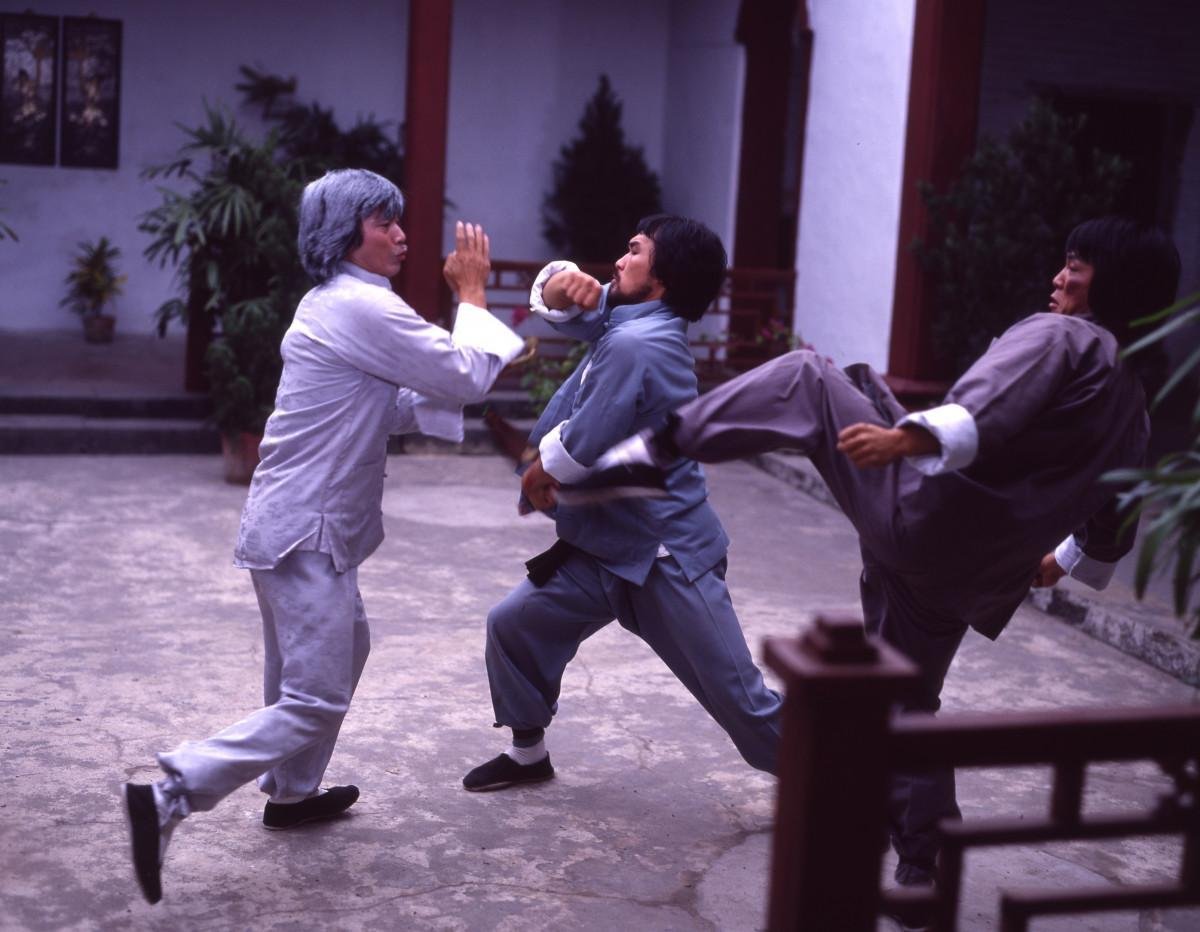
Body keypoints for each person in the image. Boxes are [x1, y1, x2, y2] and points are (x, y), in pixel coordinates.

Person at [590, 217, 1181, 888]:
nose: (1057, 277)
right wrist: (1066, 561)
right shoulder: (1134, 407)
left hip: (926, 516)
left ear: (1115, 283)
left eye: (1074, 266)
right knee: (908, 695)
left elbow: (986, 405)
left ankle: (658, 449)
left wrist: (907, 440)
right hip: (972, 574)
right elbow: (1116, 520)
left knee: (808, 380)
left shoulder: (1066, 336)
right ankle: (921, 863)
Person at [122, 168, 526, 904]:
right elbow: (463, 378)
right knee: (314, 697)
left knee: (343, 651)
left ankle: (293, 794)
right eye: (383, 223)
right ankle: (172, 792)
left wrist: (484, 354)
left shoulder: (342, 303)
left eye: (397, 221)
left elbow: (390, 405)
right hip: (305, 532)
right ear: (345, 235)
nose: (401, 235)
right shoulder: (361, 306)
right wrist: (473, 300)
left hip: (301, 526)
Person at [461, 215, 782, 792]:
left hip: (667, 556)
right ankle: (527, 753)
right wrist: (562, 285)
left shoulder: (638, 343)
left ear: (662, 278)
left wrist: (536, 471)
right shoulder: (635, 317)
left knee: (745, 706)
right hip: (605, 545)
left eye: (634, 251)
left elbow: (583, 444)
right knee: (515, 625)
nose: (619, 260)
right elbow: (570, 305)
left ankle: (867, 784)